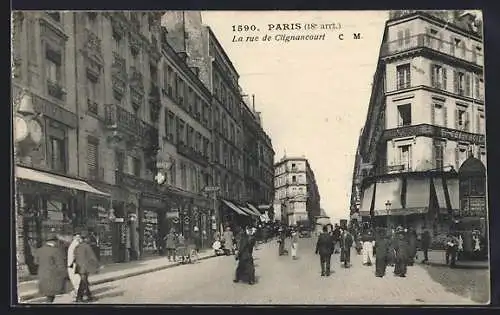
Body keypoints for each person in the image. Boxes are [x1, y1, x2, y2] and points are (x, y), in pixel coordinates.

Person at [35, 233, 67, 303]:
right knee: (51, 296)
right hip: (53, 276)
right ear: (54, 241)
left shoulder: (39, 250)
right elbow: (60, 265)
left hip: (42, 275)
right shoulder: (56, 251)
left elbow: (36, 262)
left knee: (48, 295)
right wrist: (65, 275)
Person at [74, 231, 99, 302]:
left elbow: (75, 256)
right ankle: (79, 298)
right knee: (83, 283)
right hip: (85, 268)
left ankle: (88, 296)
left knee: (84, 282)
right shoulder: (87, 246)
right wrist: (97, 266)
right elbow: (92, 257)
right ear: (86, 239)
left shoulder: (77, 247)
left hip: (79, 267)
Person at [67, 232, 82, 300]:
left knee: (75, 279)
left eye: (79, 237)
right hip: (73, 264)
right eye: (77, 237)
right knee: (76, 279)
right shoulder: (76, 244)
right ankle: (77, 292)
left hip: (72, 264)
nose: (78, 238)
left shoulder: (74, 244)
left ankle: (77, 293)